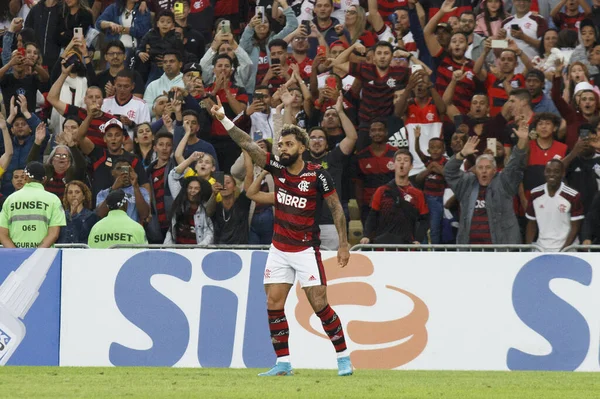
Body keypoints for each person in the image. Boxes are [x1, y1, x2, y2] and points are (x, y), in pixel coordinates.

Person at [210, 99, 353, 376]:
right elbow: (248, 145)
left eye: (288, 144)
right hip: (279, 249)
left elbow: (336, 209)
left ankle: (343, 357)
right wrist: (224, 119)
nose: (282, 149)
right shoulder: (277, 168)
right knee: (273, 304)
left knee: (320, 305)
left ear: (302, 147)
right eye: (280, 145)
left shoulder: (318, 175)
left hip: (305, 250)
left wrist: (344, 244)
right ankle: (284, 362)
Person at [444, 121, 529, 245]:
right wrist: (462, 154)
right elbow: (449, 172)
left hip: (500, 250)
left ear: (495, 170)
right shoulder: (466, 184)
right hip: (471, 250)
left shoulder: (504, 183)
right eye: (480, 168)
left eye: (488, 168)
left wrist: (522, 141)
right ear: (475, 170)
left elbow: (515, 164)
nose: (484, 171)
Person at [361, 148, 429, 245]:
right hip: (383, 245)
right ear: (393, 165)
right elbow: (372, 215)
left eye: (406, 161)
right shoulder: (382, 191)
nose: (402, 164)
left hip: (407, 246)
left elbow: (424, 220)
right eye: (399, 160)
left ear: (411, 166)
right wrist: (366, 236)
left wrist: (418, 239)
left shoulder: (418, 194)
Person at [0, 161, 66, 248]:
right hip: (43, 256)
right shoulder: (53, 200)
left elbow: (2, 234)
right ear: (45, 179)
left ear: (25, 177)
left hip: (16, 257)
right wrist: (36, 253)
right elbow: (54, 234)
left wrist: (15, 252)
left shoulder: (10, 199)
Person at [526, 159, 584, 251]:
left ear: (563, 173)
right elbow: (531, 223)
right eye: (548, 171)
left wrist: (564, 250)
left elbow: (575, 227)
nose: (551, 174)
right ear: (544, 172)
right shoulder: (535, 194)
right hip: (541, 248)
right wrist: (529, 247)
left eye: (556, 171)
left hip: (567, 249)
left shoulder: (573, 196)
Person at [352, 119, 398, 223]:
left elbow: (400, 181)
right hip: (369, 206)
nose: (377, 133)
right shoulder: (361, 156)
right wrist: (360, 207)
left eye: (380, 130)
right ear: (369, 133)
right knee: (369, 238)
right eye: (373, 130)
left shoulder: (396, 154)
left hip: (392, 205)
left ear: (386, 132)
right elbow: (358, 185)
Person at [414, 127, 447, 244]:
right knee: (423, 226)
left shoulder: (446, 162)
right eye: (432, 148)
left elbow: (447, 174)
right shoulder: (428, 161)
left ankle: (435, 250)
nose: (435, 151)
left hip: (438, 199)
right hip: (425, 197)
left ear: (443, 150)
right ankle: (422, 248)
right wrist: (417, 138)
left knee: (434, 228)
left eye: (438, 148)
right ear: (428, 150)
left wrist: (438, 169)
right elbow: (417, 151)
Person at [96, 158, 151, 223]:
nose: (123, 172)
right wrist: (113, 189)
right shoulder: (103, 193)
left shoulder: (142, 191)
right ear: (112, 172)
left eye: (126, 169)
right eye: (119, 168)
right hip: (112, 231)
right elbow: (100, 215)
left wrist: (135, 186)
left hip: (132, 230)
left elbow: (144, 215)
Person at [164, 176, 213, 245]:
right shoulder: (179, 207)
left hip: (198, 252)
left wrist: (198, 250)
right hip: (178, 251)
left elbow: (210, 233)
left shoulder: (207, 208)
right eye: (190, 188)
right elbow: (171, 231)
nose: (192, 191)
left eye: (196, 188)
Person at [102, 69, 151, 137]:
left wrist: (131, 124)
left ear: (132, 86)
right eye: (119, 86)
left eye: (126, 86)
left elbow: (146, 130)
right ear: (114, 84)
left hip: (132, 145)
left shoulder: (141, 105)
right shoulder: (104, 103)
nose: (122, 90)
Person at [213, 173, 252, 244]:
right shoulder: (216, 207)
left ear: (234, 187)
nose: (224, 185)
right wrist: (214, 194)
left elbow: (249, 176)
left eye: (228, 182)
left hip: (241, 250)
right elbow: (208, 211)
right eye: (221, 183)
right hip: (219, 250)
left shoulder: (242, 202)